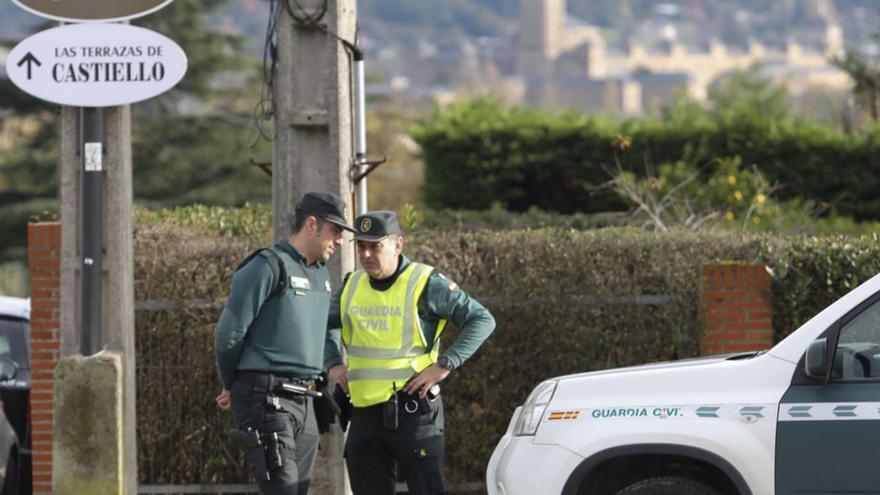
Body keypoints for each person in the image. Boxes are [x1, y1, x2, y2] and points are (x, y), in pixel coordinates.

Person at [325, 210, 496, 495]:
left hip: (414, 412)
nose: (366, 254)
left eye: (375, 246)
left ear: (397, 244)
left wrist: (444, 365)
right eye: (361, 246)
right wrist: (332, 363)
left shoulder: (425, 282)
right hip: (364, 415)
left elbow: (482, 319)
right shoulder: (351, 285)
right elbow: (323, 326)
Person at [214, 192, 354, 495]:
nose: (341, 240)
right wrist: (230, 382)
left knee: (297, 490)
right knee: (283, 489)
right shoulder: (267, 266)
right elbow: (228, 334)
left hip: (306, 399)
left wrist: (332, 364)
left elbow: (325, 325)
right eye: (336, 230)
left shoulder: (321, 275)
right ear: (312, 224)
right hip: (268, 397)